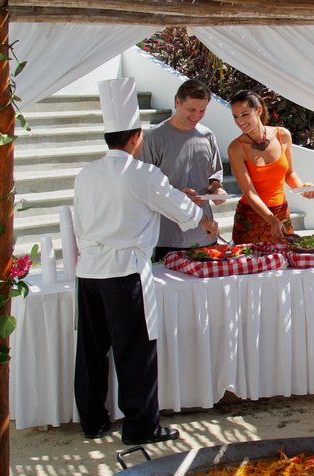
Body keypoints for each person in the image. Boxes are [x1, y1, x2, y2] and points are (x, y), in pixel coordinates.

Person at [72, 77, 219, 445]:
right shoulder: (143, 173)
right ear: (137, 137)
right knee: (136, 350)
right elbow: (182, 209)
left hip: (88, 271)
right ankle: (140, 427)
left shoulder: (85, 174)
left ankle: (92, 421)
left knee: (91, 350)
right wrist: (205, 221)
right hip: (125, 273)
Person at [142, 79, 227, 261]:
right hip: (167, 238)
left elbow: (213, 176)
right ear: (177, 102)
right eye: (191, 110)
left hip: (205, 234)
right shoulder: (153, 138)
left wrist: (216, 189)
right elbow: (144, 188)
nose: (196, 115)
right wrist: (177, 195)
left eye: (202, 110)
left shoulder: (207, 135)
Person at [227, 90, 314, 243]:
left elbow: (289, 173)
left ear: (258, 110)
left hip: (281, 213)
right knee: (251, 264)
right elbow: (250, 194)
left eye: (244, 114)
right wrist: (271, 219)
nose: (239, 121)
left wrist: (303, 188)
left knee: (286, 262)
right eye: (235, 116)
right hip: (251, 218)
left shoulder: (282, 135)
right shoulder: (236, 148)